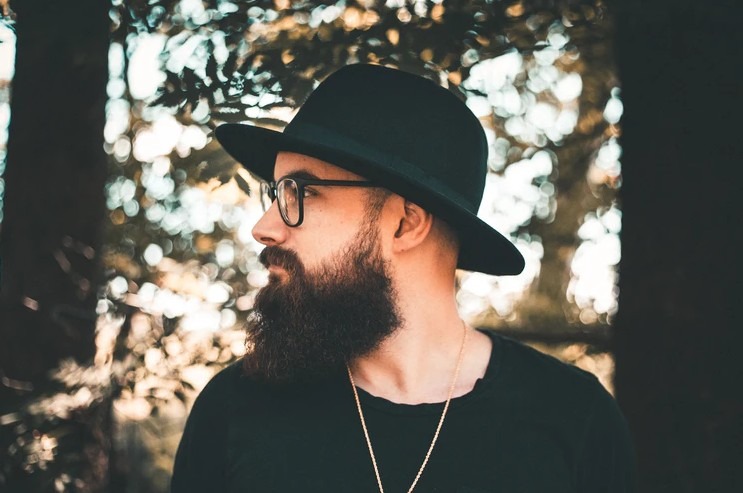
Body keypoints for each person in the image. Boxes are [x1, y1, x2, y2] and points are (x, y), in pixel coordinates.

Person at [171, 63, 637, 493]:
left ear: (405, 223)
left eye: (302, 193)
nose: (264, 227)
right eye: (274, 193)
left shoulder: (574, 417)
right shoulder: (235, 410)